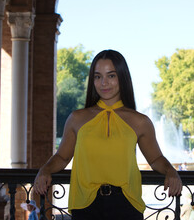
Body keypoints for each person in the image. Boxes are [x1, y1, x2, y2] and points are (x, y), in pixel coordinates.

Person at [34, 49, 182, 220]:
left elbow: (155, 159)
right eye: (98, 76)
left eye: (111, 75)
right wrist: (45, 169)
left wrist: (171, 171)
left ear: (122, 77)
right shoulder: (77, 119)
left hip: (127, 206)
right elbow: (62, 157)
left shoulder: (140, 121)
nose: (104, 83)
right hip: (85, 207)